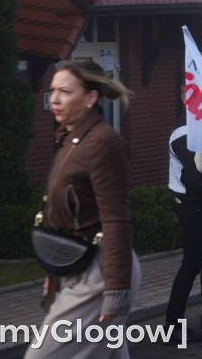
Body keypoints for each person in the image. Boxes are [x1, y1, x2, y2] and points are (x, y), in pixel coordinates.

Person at [29, 60, 140, 358]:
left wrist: (116, 289)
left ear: (91, 97)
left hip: (100, 271)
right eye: (53, 90)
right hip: (79, 262)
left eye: (65, 91)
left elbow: (116, 219)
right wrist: (54, 273)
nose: (54, 99)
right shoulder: (71, 139)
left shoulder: (103, 142)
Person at [165, 99, 202, 342]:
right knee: (192, 263)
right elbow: (197, 179)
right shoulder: (184, 134)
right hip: (192, 204)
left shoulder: (201, 129)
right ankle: (173, 325)